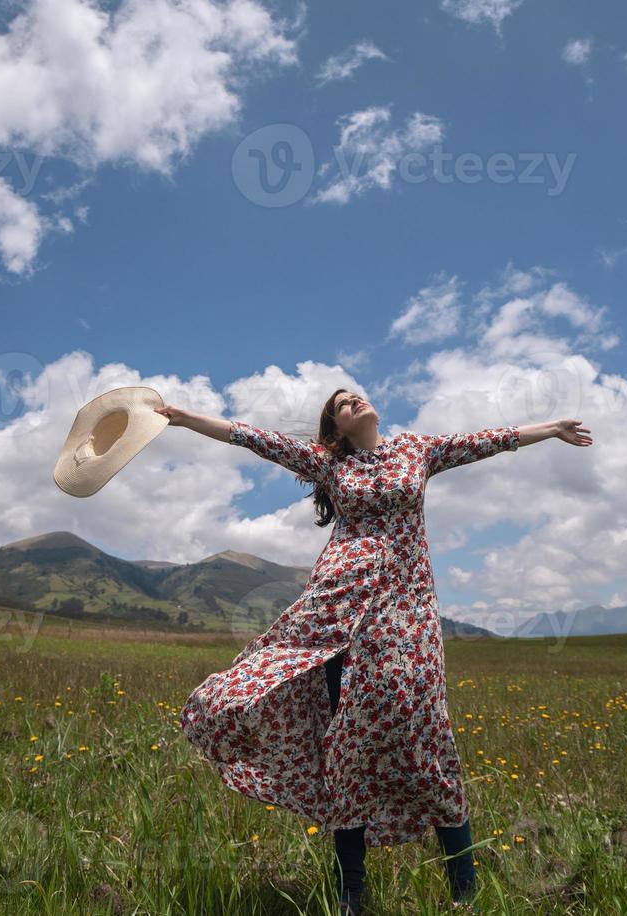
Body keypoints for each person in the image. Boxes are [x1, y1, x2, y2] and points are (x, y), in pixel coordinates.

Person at [165, 390, 592, 913]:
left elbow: (489, 441)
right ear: (336, 428)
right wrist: (185, 419)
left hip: (407, 609)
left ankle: (465, 892)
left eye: (355, 394)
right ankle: (352, 892)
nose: (353, 400)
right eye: (341, 403)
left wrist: (550, 427)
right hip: (338, 608)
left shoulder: (417, 450)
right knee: (346, 738)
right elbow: (253, 438)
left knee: (425, 732)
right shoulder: (329, 463)